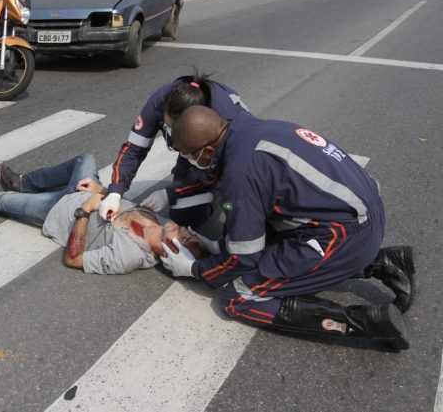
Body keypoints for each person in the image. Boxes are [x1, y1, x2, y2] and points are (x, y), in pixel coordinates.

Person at [162, 106, 415, 350]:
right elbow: (256, 214)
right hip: (364, 212)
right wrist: (215, 245)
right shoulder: (249, 128)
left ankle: (366, 322)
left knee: (238, 296)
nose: (189, 162)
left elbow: (244, 257)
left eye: (189, 155)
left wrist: (195, 269)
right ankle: (385, 262)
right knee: (271, 243)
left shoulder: (239, 172)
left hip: (347, 234)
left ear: (206, 152)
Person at [0, 154, 204, 275]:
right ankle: (25, 182)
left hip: (58, 210)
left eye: (187, 239)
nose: (187, 231)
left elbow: (73, 258)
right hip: (85, 192)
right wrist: (101, 189)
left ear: (171, 251)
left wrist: (85, 213)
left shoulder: (130, 257)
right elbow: (116, 202)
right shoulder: (162, 222)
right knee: (85, 158)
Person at [100, 71, 250, 229]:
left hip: (232, 156)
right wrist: (115, 191)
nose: (174, 138)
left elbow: (217, 167)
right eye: (169, 127)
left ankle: (219, 193)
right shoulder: (160, 102)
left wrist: (171, 193)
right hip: (197, 146)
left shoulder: (223, 121)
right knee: (181, 215)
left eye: (177, 132)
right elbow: (134, 149)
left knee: (232, 195)